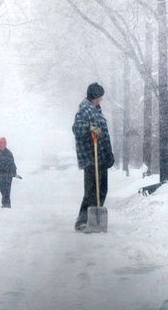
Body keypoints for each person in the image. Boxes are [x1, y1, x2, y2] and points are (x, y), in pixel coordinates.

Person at [72, 82, 115, 231]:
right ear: (94, 96)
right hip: (91, 158)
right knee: (91, 191)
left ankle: (95, 218)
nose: (101, 100)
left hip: (101, 157)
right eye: (100, 97)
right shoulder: (85, 110)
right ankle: (82, 221)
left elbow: (103, 133)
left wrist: (109, 154)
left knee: (102, 189)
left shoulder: (96, 110)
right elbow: (76, 128)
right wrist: (90, 128)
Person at [0, 136, 17, 208]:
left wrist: (13, 172)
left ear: (3, 144)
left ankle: (6, 204)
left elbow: (12, 164)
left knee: (6, 190)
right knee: (2, 190)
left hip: (7, 175)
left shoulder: (8, 153)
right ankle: (5, 204)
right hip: (0, 175)